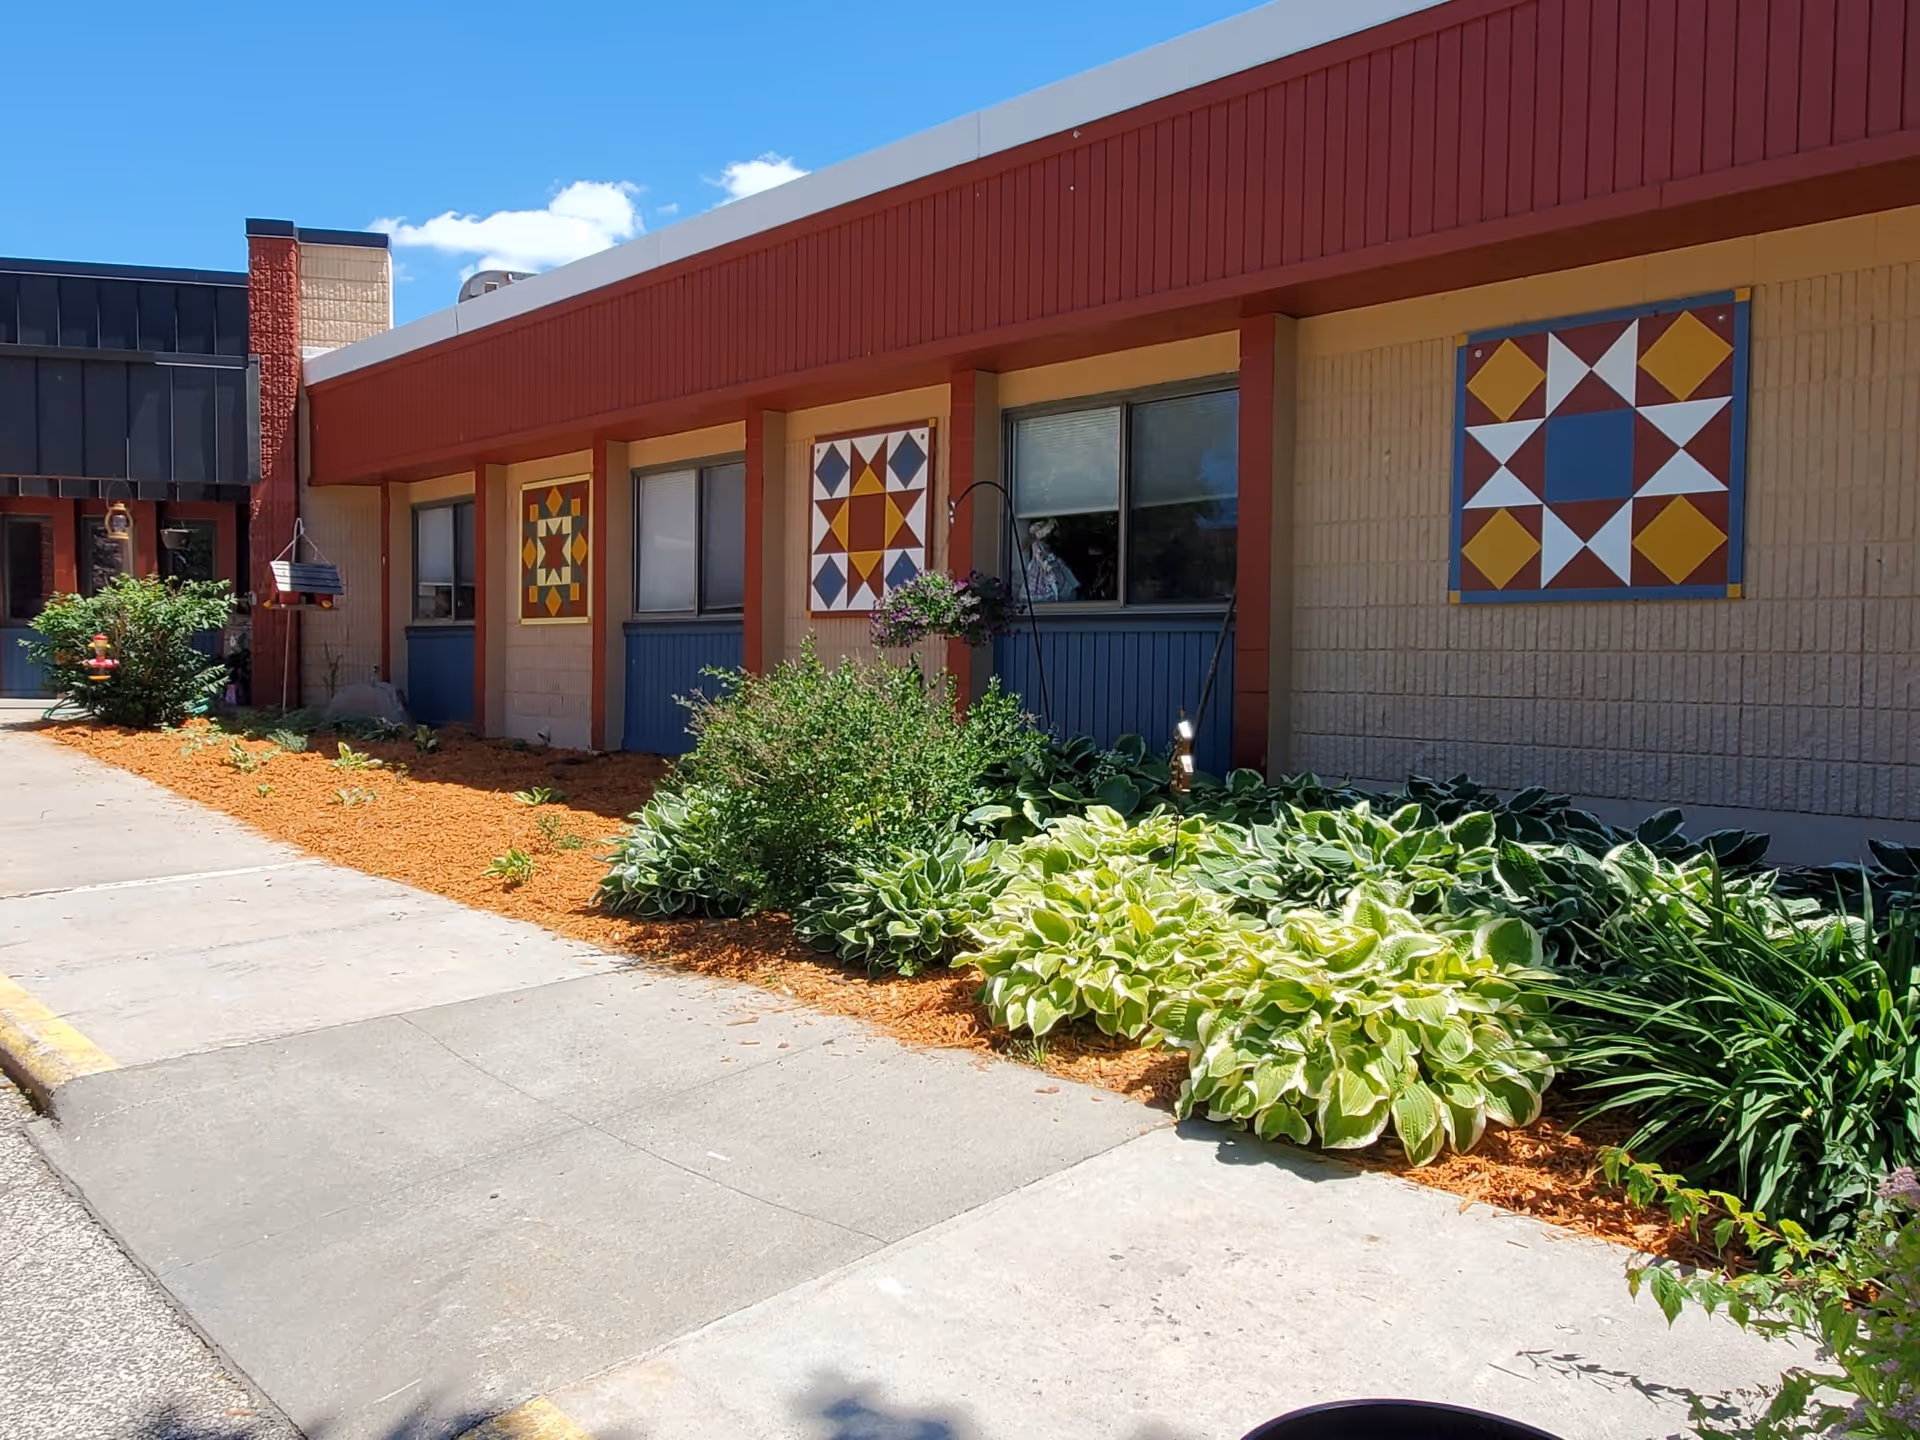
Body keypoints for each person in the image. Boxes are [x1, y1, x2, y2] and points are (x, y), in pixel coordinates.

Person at [1021, 518, 1081, 602]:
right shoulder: (1037, 544)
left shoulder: (1045, 544)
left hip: (1050, 564)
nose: (1048, 534)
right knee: (1046, 583)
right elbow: (1039, 557)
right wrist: (1045, 562)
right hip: (1043, 566)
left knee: (1060, 577)